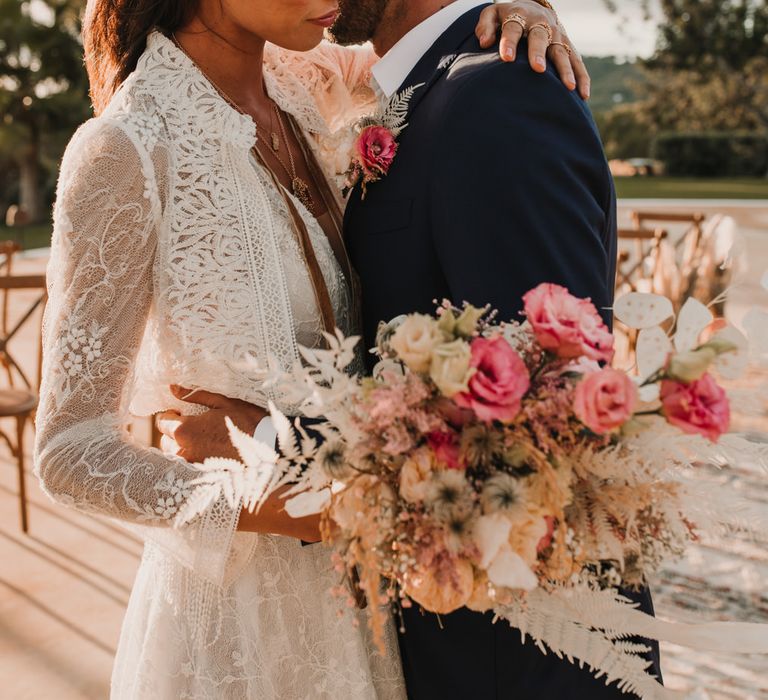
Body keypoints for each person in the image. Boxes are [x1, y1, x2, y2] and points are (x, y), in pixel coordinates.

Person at [33, 0, 588, 698]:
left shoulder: (300, 80)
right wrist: (308, 505)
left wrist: (523, 11)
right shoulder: (127, 145)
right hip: (237, 630)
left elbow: (438, 39)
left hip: (364, 614)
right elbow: (68, 450)